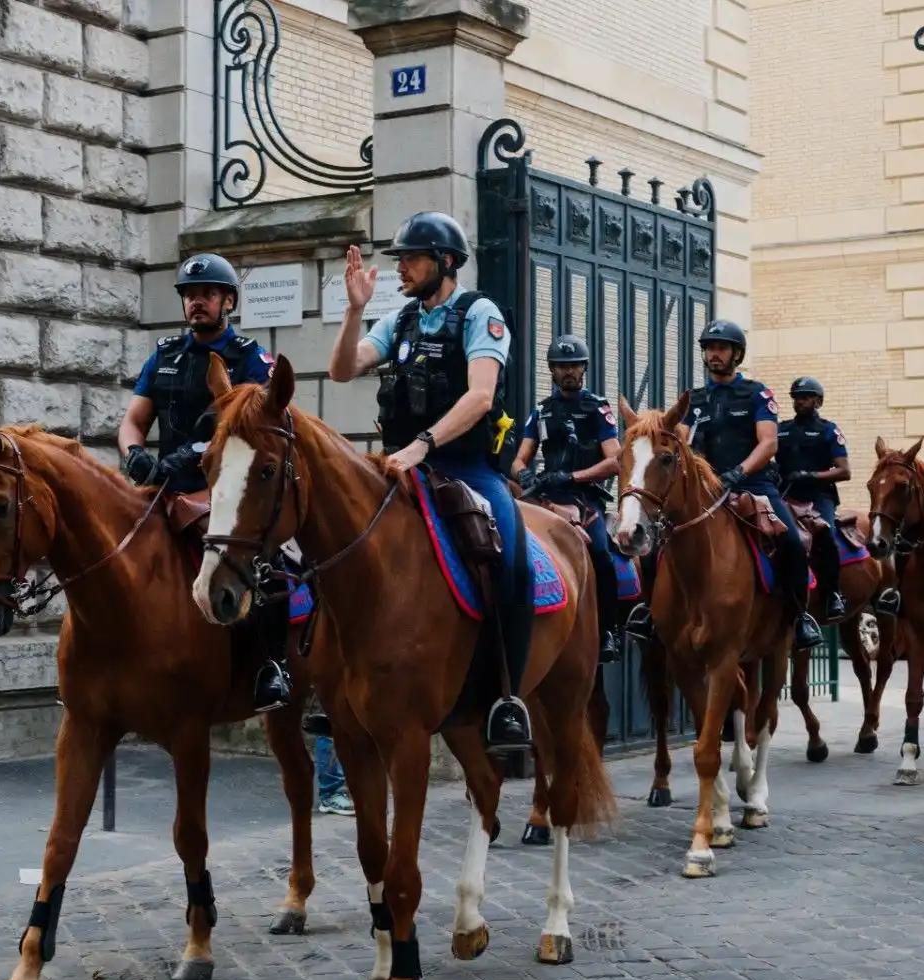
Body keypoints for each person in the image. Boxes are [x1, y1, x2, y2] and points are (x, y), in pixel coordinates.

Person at [327, 210, 532, 750]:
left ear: (444, 262)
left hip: (464, 468)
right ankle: (336, 686)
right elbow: (342, 370)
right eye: (400, 259)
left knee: (511, 558)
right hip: (397, 469)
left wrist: (424, 444)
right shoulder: (400, 320)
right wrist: (354, 311)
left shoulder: (478, 314)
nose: (402, 269)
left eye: (411, 259)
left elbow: (481, 396)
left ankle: (507, 700)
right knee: (331, 549)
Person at [119, 252, 291, 714]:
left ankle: (270, 666)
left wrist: (189, 458)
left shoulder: (251, 360)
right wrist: (134, 453)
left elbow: (257, 427)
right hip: (161, 485)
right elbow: (133, 421)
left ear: (228, 301)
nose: (197, 302)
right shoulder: (166, 354)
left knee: (272, 565)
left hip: (223, 488)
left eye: (208, 294)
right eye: (191, 295)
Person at [679, 319, 823, 650]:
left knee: (790, 541)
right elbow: (680, 441)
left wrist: (739, 472)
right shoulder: (695, 399)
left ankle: (800, 616)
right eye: (709, 348)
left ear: (737, 354)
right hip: (706, 491)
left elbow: (768, 443)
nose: (714, 354)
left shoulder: (757, 393)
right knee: (661, 541)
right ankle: (651, 611)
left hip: (753, 485)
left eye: (721, 348)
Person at [513, 333, 623, 662]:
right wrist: (524, 475)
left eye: (574, 366)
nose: (568, 372)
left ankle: (608, 630)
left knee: (602, 555)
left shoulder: (597, 408)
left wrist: (574, 476)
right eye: (561, 367)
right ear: (552, 371)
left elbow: (615, 460)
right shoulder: (542, 412)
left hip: (587, 501)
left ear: (584, 369)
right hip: (547, 498)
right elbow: (519, 459)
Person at [776, 376, 850, 621]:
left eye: (806, 397)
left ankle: (832, 595)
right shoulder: (781, 429)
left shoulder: (829, 430)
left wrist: (811, 475)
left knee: (825, 534)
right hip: (786, 492)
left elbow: (844, 470)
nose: (800, 402)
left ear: (818, 401)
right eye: (796, 397)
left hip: (819, 495)